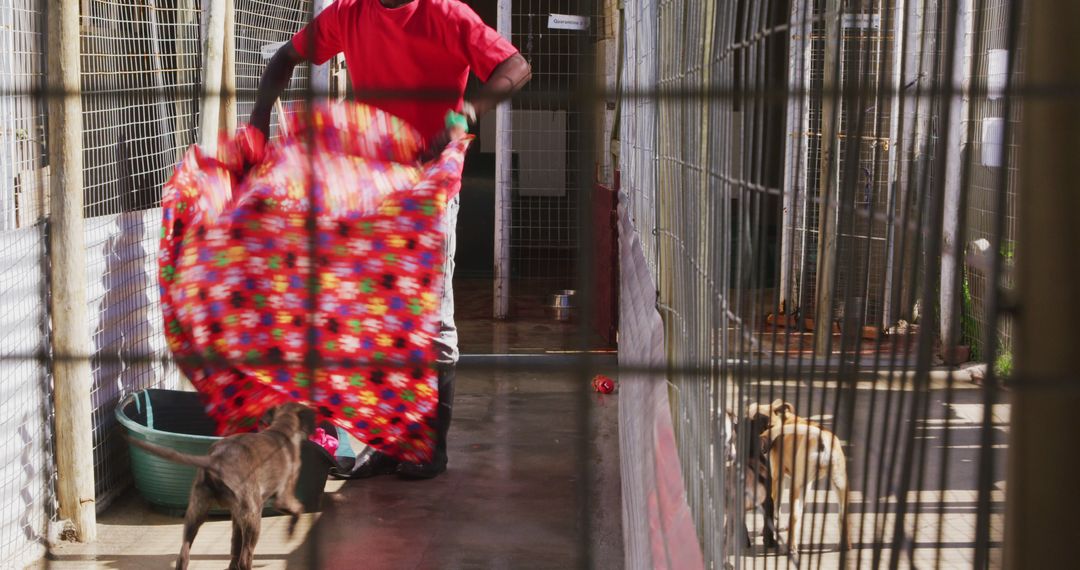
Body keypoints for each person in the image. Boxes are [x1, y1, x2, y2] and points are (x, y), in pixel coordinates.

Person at [249, 0, 531, 479]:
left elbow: (516, 66)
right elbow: (284, 58)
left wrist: (471, 109)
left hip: (430, 191)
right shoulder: (348, 13)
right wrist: (257, 121)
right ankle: (389, 441)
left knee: (430, 321)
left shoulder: (446, 14)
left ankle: (430, 450)